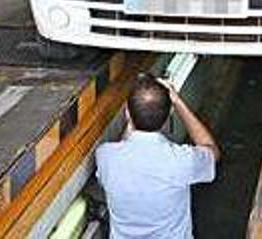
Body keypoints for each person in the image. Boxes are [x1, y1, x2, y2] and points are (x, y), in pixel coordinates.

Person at [95, 75, 221, 239]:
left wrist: (133, 118)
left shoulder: (106, 156)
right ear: (169, 114)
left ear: (127, 113)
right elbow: (212, 151)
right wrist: (177, 101)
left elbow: (125, 145)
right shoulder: (182, 161)